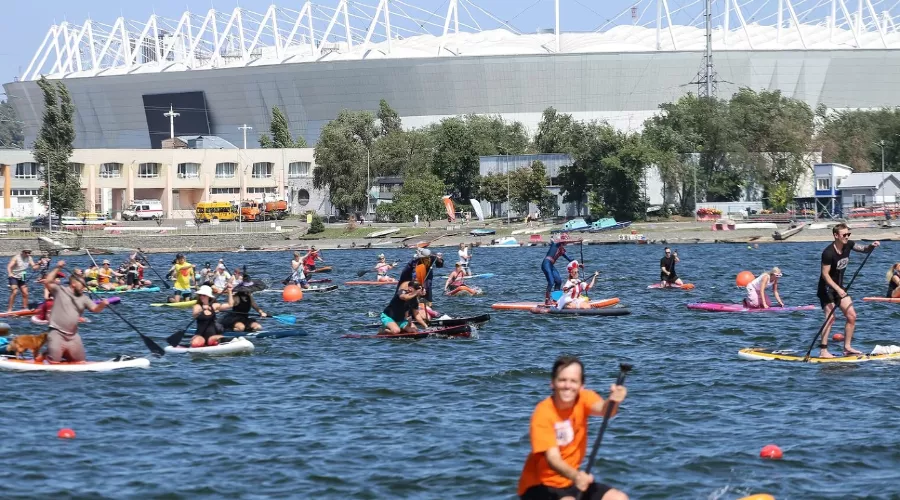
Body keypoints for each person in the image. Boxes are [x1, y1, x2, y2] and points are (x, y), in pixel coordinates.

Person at [518, 356, 628, 500]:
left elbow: (606, 411)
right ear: (552, 383)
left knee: (618, 498)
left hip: (571, 481)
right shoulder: (543, 413)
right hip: (538, 486)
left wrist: (614, 400)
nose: (567, 386)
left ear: (581, 385)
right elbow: (553, 459)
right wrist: (577, 476)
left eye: (573, 381)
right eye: (562, 380)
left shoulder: (584, 398)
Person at [817, 223, 879, 358]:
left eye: (848, 234)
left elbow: (863, 249)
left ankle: (847, 347)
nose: (847, 237)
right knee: (831, 318)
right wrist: (838, 289)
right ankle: (823, 350)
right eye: (844, 235)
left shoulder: (849, 245)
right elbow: (825, 275)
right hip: (826, 289)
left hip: (840, 288)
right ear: (836, 235)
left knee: (852, 316)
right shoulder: (828, 253)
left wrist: (871, 246)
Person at [42, 260, 109, 362]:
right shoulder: (60, 290)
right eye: (82, 284)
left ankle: (58, 353)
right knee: (54, 362)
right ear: (73, 284)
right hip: (57, 333)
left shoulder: (84, 298)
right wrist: (58, 268)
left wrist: (102, 304)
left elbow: (95, 309)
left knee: (80, 362)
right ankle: (46, 354)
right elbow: (47, 282)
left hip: (73, 337)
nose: (84, 286)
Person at [542, 235, 575, 305]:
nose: (566, 242)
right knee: (551, 282)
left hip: (551, 265)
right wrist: (577, 240)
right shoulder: (556, 244)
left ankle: (555, 300)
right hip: (546, 264)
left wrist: (578, 264)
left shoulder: (562, 250)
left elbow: (570, 259)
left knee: (558, 281)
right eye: (566, 240)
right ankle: (547, 300)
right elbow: (562, 241)